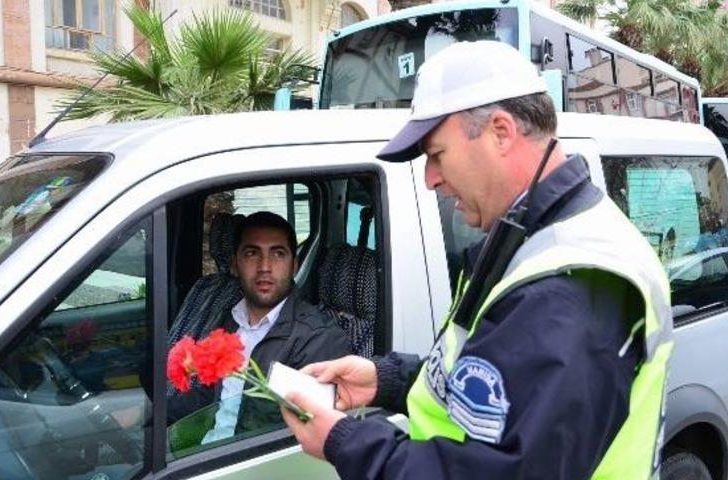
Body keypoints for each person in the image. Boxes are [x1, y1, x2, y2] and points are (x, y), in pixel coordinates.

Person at [282, 41, 673, 480]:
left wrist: (345, 441)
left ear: (501, 132)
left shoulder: (567, 287)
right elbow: (494, 389)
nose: (430, 179)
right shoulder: (533, 235)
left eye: (436, 155)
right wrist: (387, 380)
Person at [167, 211, 350, 442]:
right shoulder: (231, 319)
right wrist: (147, 419)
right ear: (235, 264)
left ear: (294, 266)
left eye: (278, 254)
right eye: (252, 253)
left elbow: (304, 440)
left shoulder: (319, 340)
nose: (265, 266)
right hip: (208, 449)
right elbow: (211, 395)